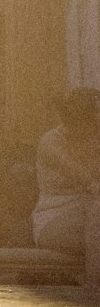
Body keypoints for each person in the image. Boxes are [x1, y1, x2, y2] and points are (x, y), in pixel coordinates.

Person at [32, 89, 100, 283]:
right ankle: (95, 294)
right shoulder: (51, 142)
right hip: (56, 221)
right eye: (96, 118)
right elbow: (85, 179)